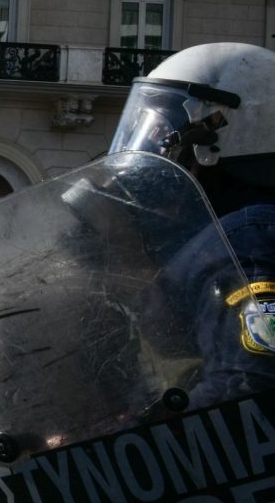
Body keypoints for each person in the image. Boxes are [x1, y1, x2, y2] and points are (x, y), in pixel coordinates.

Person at [108, 42, 275, 407]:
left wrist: (140, 433)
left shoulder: (242, 245)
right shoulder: (231, 233)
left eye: (164, 134)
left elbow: (246, 389)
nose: (154, 150)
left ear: (214, 140)